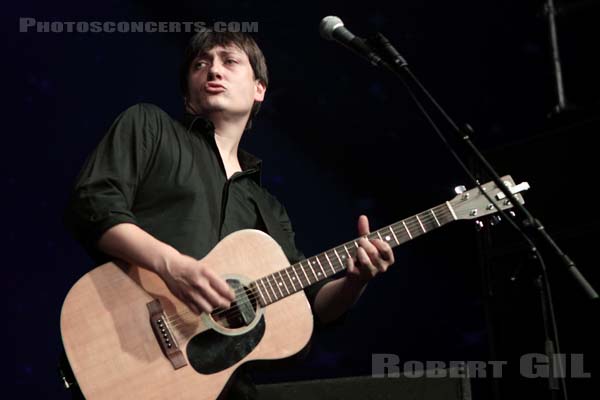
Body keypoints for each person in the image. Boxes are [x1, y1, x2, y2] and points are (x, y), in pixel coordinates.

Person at [64, 30, 395, 399]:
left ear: (259, 89)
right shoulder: (149, 125)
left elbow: (312, 305)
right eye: (200, 64)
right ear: (187, 94)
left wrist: (356, 280)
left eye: (229, 60)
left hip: (215, 385)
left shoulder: (267, 207)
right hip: (125, 344)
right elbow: (92, 203)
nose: (213, 70)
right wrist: (170, 265)